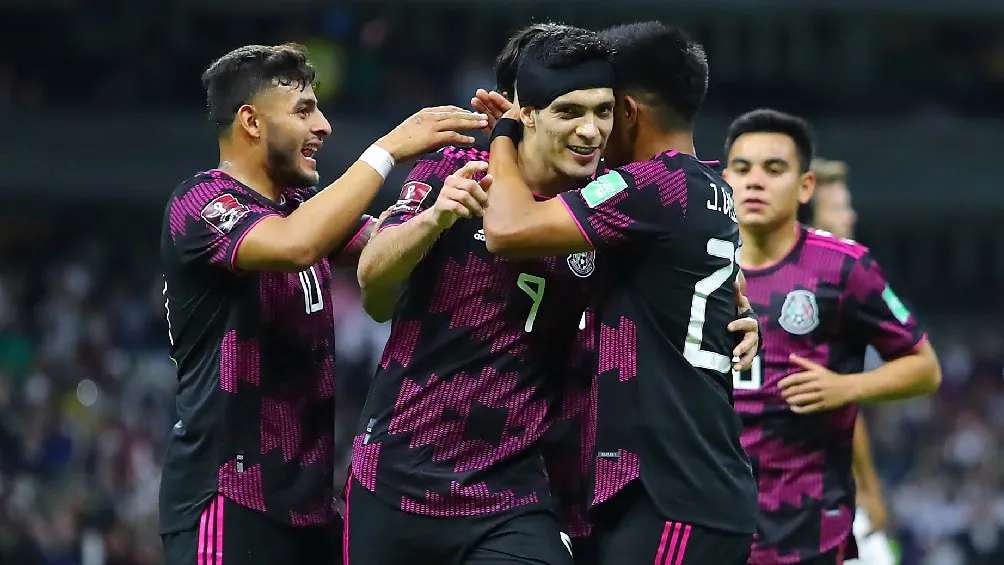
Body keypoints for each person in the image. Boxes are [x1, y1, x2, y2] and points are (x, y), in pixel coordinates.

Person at [158, 42, 487, 565]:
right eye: (304, 110)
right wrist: (386, 152)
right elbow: (294, 245)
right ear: (251, 121)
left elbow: (385, 247)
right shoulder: (200, 203)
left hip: (309, 507)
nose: (324, 126)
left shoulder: (298, 207)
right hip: (227, 499)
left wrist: (441, 207)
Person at [483, 21, 761, 565]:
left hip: (672, 492)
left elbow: (508, 230)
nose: (593, 129)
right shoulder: (708, 187)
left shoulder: (650, 187)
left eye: (605, 110)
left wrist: (506, 139)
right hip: (694, 487)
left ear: (628, 112)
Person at [345, 25, 617, 565]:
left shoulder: (609, 200)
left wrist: (740, 309)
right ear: (527, 113)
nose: (591, 131)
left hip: (514, 491)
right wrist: (435, 219)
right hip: (397, 475)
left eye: (602, 112)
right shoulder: (451, 172)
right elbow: (375, 292)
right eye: (570, 112)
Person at [722, 108, 941, 565]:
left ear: (805, 187)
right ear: (725, 179)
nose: (754, 181)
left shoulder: (843, 267)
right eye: (742, 169)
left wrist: (846, 386)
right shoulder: (693, 264)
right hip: (713, 519)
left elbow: (925, 368)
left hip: (810, 528)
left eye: (774, 168)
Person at [809, 158, 894, 565]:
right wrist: (871, 491)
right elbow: (841, 399)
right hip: (811, 494)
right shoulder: (823, 288)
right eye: (840, 206)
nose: (851, 215)